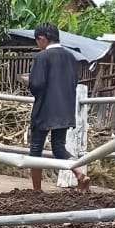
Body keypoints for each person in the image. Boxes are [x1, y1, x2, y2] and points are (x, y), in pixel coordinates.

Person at [27, 23, 84, 193]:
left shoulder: (42, 57)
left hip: (44, 110)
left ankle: (37, 190)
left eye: (37, 40)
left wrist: (28, 82)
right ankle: (80, 174)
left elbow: (36, 85)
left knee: (36, 149)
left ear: (42, 38)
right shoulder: (71, 57)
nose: (38, 44)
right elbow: (73, 82)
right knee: (59, 147)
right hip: (65, 110)